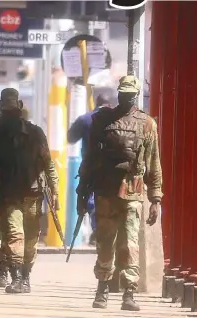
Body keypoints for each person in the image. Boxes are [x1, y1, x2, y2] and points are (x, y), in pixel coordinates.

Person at [77, 76, 162, 311]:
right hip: (124, 192)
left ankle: (112, 292)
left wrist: (156, 198)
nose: (126, 98)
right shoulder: (146, 123)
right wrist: (155, 198)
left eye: (127, 95)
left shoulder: (103, 121)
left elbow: (90, 161)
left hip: (111, 192)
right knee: (123, 243)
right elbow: (153, 164)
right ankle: (121, 293)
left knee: (118, 243)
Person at [0, 88, 59, 294]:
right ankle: (18, 277)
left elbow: (47, 163)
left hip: (28, 193)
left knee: (27, 237)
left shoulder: (32, 132)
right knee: (17, 235)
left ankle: (23, 276)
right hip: (13, 194)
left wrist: (54, 190)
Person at [67, 89, 114, 244]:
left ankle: (98, 228)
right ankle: (107, 231)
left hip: (91, 167)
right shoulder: (118, 118)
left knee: (89, 199)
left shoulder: (85, 119)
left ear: (96, 103)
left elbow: (71, 138)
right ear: (110, 104)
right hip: (114, 169)